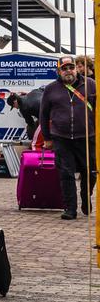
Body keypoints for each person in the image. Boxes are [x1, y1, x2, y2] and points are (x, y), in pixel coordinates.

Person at [42, 56, 96, 220]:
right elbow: (43, 114)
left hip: (87, 136)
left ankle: (86, 197)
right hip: (61, 137)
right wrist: (47, 137)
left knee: (91, 171)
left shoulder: (90, 84)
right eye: (64, 68)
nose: (68, 71)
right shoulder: (51, 89)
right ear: (59, 71)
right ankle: (70, 208)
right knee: (66, 173)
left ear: (76, 68)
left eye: (71, 67)